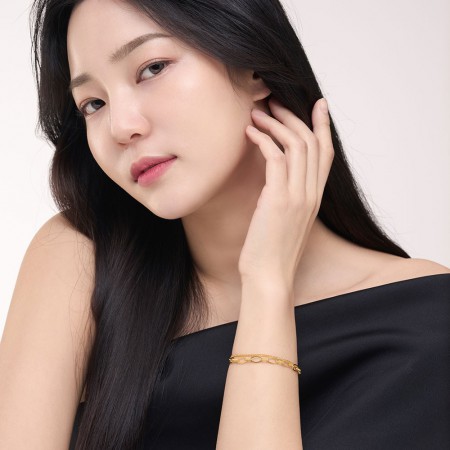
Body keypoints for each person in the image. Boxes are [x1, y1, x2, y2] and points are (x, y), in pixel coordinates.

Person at [0, 0, 449, 448]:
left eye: (152, 68)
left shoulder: (424, 322)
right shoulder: (80, 258)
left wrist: (266, 281)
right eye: (93, 103)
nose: (121, 127)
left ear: (253, 65)